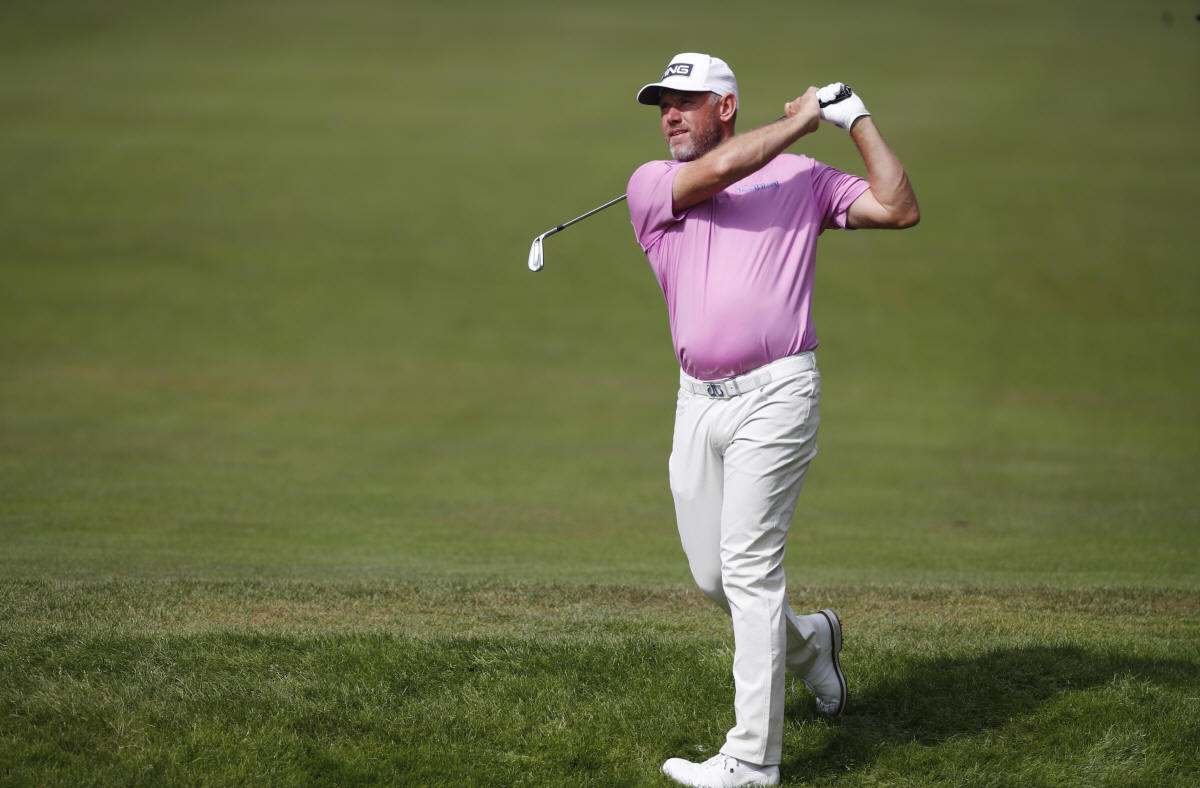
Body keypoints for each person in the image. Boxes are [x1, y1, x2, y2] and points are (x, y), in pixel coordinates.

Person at [625, 53, 919, 788]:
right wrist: (801, 122)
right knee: (714, 577)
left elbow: (897, 207)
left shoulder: (801, 178)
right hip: (697, 403)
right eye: (663, 103)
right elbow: (722, 171)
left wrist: (854, 121)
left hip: (778, 392)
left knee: (751, 571)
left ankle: (753, 760)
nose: (669, 115)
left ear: (725, 106)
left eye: (686, 101)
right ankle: (813, 645)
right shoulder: (651, 185)